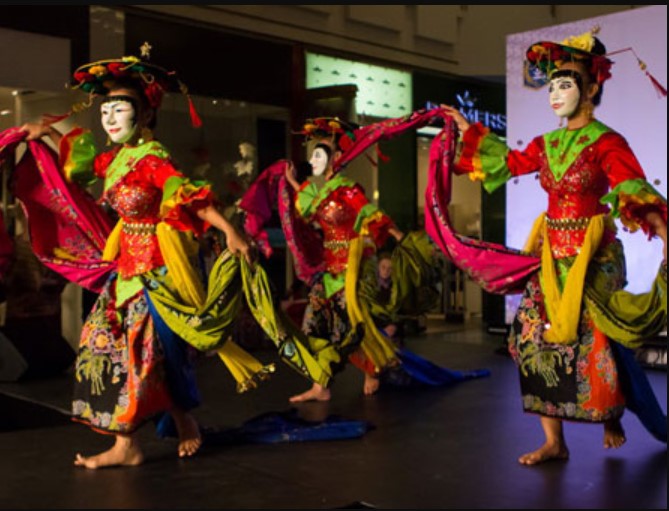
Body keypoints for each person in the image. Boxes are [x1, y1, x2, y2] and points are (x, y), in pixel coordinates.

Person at [16, 50, 256, 468]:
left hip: (158, 270)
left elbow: (188, 198)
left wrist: (230, 229)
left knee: (148, 356)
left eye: (120, 108)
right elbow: (81, 164)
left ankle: (160, 430)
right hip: (124, 269)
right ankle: (138, 438)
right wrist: (48, 135)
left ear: (144, 116)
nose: (109, 117)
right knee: (105, 351)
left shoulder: (152, 158)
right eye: (105, 109)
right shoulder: (115, 159)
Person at [441, 28, 667, 465]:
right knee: (530, 341)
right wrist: (468, 129)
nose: (554, 93)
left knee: (600, 345)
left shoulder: (607, 142)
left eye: (565, 84)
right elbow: (506, 163)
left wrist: (661, 229)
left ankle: (615, 414)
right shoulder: (546, 145)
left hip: (594, 258)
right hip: (552, 259)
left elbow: (631, 189)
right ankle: (554, 441)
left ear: (591, 88)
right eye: (551, 85)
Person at [276, 117, 489, 402]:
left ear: (337, 158)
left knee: (352, 327)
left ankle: (372, 369)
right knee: (313, 325)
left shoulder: (349, 190)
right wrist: (291, 181)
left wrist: (401, 238)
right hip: (329, 272)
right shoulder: (317, 194)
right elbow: (307, 205)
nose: (314, 159)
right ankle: (320, 384)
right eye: (313, 153)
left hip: (354, 270)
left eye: (321, 153)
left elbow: (371, 216)